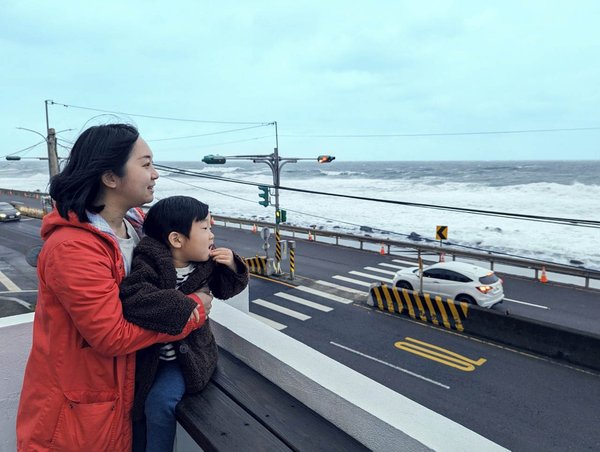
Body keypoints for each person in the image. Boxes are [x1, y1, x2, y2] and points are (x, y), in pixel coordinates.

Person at [16, 124, 210, 451]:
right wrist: (193, 311)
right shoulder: (73, 248)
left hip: (117, 403)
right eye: (146, 164)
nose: (156, 174)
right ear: (110, 177)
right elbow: (112, 335)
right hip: (75, 422)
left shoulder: (134, 226)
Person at [119, 195, 249, 452]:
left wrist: (233, 266)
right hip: (149, 358)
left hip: (186, 359)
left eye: (210, 228)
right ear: (177, 239)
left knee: (159, 403)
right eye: (204, 228)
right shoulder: (148, 262)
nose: (212, 235)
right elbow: (135, 299)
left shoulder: (206, 265)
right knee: (135, 412)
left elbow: (225, 290)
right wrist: (190, 304)